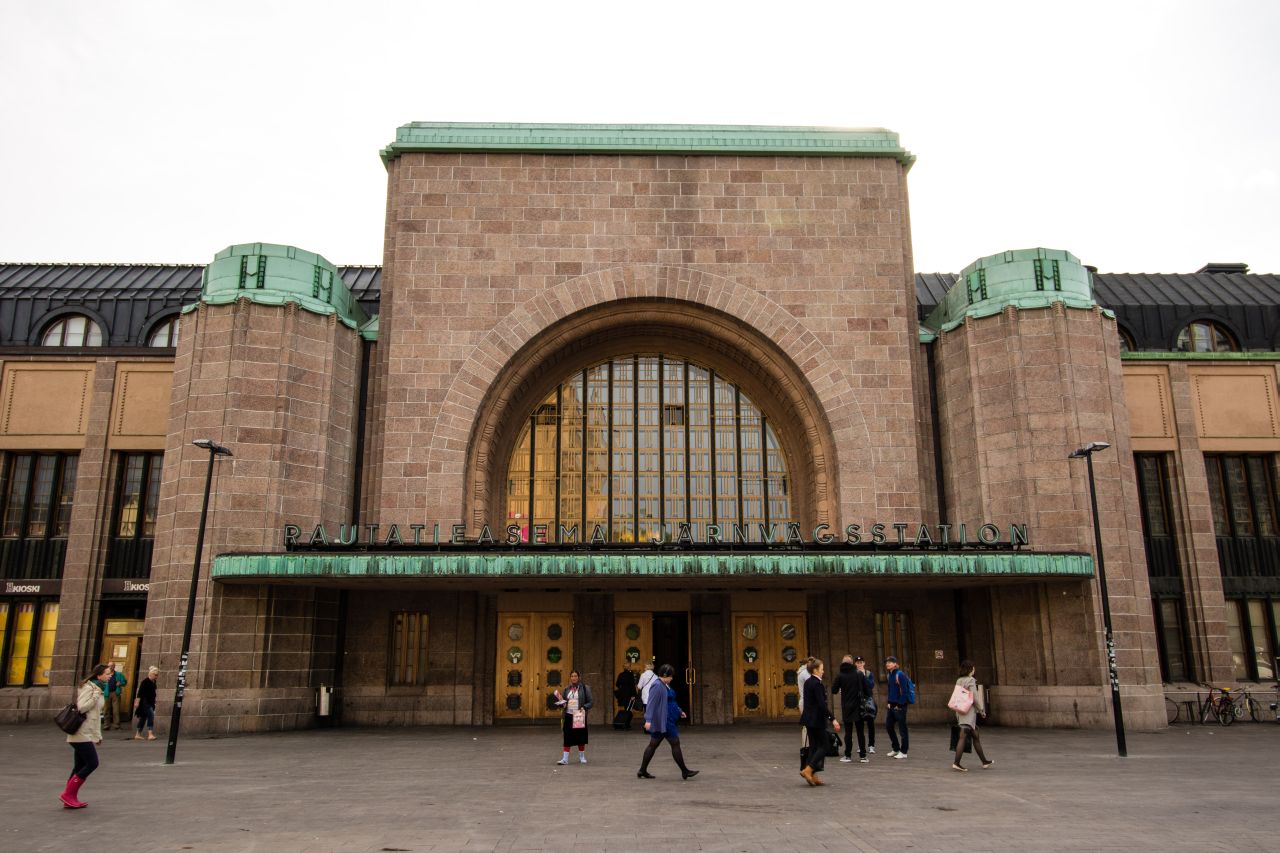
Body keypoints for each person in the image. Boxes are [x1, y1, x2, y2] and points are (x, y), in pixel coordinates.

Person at [636, 663, 698, 780]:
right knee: (675, 743)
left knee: (653, 744)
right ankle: (684, 771)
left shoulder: (665, 685)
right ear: (665, 675)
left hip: (666, 719)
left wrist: (679, 711)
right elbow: (651, 703)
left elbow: (671, 700)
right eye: (670, 676)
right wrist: (648, 720)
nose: (672, 678)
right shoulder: (657, 686)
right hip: (664, 720)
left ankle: (642, 770)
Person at [60, 663, 108, 809]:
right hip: (81, 732)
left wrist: (97, 736)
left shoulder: (99, 688)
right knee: (92, 763)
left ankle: (69, 796)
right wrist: (95, 696)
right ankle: (68, 795)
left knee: (79, 766)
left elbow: (96, 716)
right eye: (107, 673)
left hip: (87, 732)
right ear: (99, 675)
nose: (110, 676)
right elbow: (81, 708)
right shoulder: (89, 688)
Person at [799, 657, 839, 786]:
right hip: (817, 719)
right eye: (822, 669)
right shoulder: (817, 684)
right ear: (815, 670)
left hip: (809, 719)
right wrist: (833, 719)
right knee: (825, 745)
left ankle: (812, 774)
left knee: (814, 747)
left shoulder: (808, 682)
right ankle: (808, 769)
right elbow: (822, 705)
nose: (823, 671)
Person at [951, 659, 993, 771]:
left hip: (960, 710)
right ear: (970, 669)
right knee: (963, 736)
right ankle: (956, 763)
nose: (974, 669)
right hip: (968, 712)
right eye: (973, 667)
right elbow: (974, 697)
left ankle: (984, 761)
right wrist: (981, 710)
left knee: (975, 735)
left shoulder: (959, 680)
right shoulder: (971, 680)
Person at [831, 654, 869, 763]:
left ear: (842, 663)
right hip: (859, 706)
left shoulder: (840, 675)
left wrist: (842, 689)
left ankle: (848, 755)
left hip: (846, 706)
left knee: (848, 732)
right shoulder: (859, 674)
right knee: (860, 732)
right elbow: (867, 690)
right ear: (852, 663)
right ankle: (863, 756)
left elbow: (833, 690)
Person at [553, 670, 593, 764]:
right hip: (568, 715)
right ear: (570, 678)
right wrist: (562, 704)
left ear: (579, 677)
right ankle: (565, 759)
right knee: (567, 737)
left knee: (580, 736)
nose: (574, 678)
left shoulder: (585, 688)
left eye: (575, 676)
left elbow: (591, 702)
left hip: (579, 715)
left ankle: (582, 757)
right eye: (572, 676)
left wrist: (584, 707)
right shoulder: (567, 689)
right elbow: (564, 701)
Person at [884, 656, 914, 759]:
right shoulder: (889, 675)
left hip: (900, 706)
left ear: (895, 664)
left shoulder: (900, 674)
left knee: (902, 729)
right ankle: (896, 748)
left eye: (890, 662)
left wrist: (899, 704)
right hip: (891, 705)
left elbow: (905, 691)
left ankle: (904, 751)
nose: (888, 664)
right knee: (889, 726)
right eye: (887, 662)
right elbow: (890, 690)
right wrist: (889, 702)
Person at [855, 655, 877, 754]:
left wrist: (863, 676)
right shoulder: (854, 674)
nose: (859, 664)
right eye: (857, 663)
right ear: (855, 664)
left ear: (864, 663)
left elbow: (871, 685)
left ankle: (871, 745)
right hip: (858, 700)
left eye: (861, 663)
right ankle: (861, 745)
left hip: (868, 700)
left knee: (870, 723)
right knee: (859, 724)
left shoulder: (868, 673)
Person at [133, 666, 159, 740]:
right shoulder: (145, 682)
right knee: (151, 715)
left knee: (143, 718)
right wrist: (137, 702)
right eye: (155, 675)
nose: (156, 676)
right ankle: (150, 734)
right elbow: (140, 693)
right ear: (151, 674)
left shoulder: (153, 682)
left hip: (150, 702)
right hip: (145, 702)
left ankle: (138, 734)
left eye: (157, 675)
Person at [103, 663, 127, 731]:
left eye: (111, 666)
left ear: (114, 667)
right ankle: (106, 725)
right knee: (106, 710)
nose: (110, 667)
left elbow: (125, 682)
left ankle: (117, 725)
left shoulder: (118, 674)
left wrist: (120, 683)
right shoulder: (105, 674)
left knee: (116, 710)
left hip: (115, 693)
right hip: (107, 693)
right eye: (109, 666)